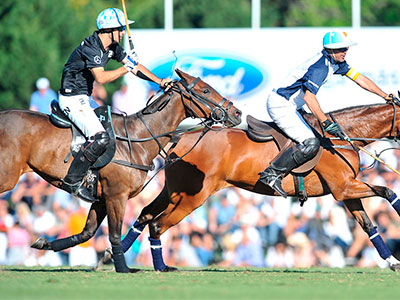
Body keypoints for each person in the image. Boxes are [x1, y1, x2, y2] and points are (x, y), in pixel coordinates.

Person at [259, 31, 393, 198]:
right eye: (342, 49)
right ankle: (272, 173)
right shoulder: (320, 66)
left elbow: (360, 79)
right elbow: (309, 97)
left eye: (346, 48)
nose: (346, 51)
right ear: (331, 50)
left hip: (293, 105)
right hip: (281, 105)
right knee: (311, 143)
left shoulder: (335, 61)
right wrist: (325, 121)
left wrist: (385, 95)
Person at [58, 8, 172, 203]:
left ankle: (97, 178)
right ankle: (73, 181)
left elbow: (135, 66)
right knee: (100, 138)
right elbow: (101, 78)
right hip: (71, 99)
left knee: (114, 130)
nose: (122, 33)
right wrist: (125, 68)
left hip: (84, 98)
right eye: (120, 29)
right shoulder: (91, 47)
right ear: (109, 30)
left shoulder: (112, 47)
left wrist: (160, 82)